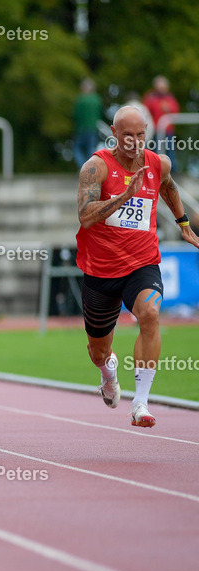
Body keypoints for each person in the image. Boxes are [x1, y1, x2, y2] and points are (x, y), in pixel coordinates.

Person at [76, 105, 199, 427]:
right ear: (114, 134)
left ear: (147, 132)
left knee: (150, 314)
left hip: (141, 263)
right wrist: (125, 195)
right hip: (100, 268)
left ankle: (141, 403)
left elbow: (169, 186)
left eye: (140, 135)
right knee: (98, 350)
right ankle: (108, 373)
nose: (134, 141)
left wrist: (183, 223)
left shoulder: (158, 163)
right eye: (127, 135)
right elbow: (86, 216)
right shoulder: (96, 167)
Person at [142, 76, 180, 165]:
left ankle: (172, 169)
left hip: (168, 130)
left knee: (170, 150)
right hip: (155, 130)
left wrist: (169, 108)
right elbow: (145, 112)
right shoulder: (150, 98)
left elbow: (176, 110)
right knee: (155, 150)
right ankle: (155, 167)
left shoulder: (170, 98)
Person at [73, 78, 104, 169]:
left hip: (81, 128)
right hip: (93, 128)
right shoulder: (97, 99)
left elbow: (76, 115)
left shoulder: (80, 99)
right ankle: (90, 168)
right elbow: (100, 114)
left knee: (77, 149)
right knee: (91, 149)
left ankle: (83, 167)